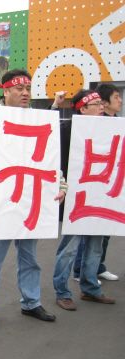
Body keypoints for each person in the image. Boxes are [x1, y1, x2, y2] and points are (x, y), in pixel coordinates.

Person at [0, 69, 67, 329]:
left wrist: (61, 185)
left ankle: (31, 302)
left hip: (30, 201)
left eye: (28, 89)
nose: (25, 93)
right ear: (6, 90)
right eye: (19, 89)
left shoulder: (37, 118)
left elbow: (49, 158)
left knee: (30, 258)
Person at [52, 89, 116, 310]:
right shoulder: (68, 129)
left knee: (96, 247)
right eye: (96, 104)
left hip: (101, 196)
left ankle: (90, 289)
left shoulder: (110, 128)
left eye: (101, 103)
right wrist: (55, 106)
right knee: (70, 247)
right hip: (76, 199)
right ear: (82, 109)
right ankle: (62, 292)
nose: (102, 107)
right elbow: (49, 133)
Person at [70, 83, 123, 284]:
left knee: (104, 230)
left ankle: (97, 268)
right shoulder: (83, 126)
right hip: (88, 184)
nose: (120, 100)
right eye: (116, 97)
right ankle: (80, 271)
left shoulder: (116, 124)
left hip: (109, 185)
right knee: (85, 231)